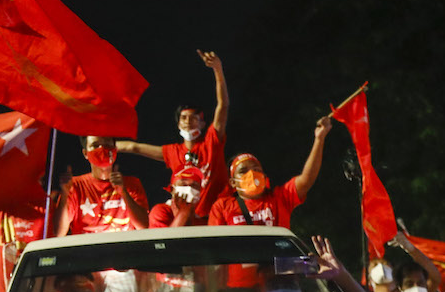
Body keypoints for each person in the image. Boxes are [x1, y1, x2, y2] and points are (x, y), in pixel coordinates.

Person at [115, 49, 229, 218]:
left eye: (194, 118)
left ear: (203, 123)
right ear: (178, 124)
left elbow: (223, 106)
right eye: (184, 118)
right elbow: (134, 147)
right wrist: (102, 145)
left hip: (215, 218)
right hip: (185, 219)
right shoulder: (173, 151)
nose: (188, 121)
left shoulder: (212, 143)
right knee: (157, 213)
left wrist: (218, 70)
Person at [207, 116, 333, 227]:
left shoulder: (279, 198)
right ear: (233, 182)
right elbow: (216, 244)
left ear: (263, 175)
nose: (251, 173)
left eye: (256, 169)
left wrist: (319, 139)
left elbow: (307, 179)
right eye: (243, 171)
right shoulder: (222, 207)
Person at [52, 136, 153, 234]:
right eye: (95, 145)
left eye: (107, 145)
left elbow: (143, 226)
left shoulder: (132, 184)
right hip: (87, 249)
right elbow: (59, 232)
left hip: (122, 248)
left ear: (115, 151)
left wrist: (123, 192)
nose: (101, 149)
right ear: (85, 153)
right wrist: (64, 194)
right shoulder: (74, 185)